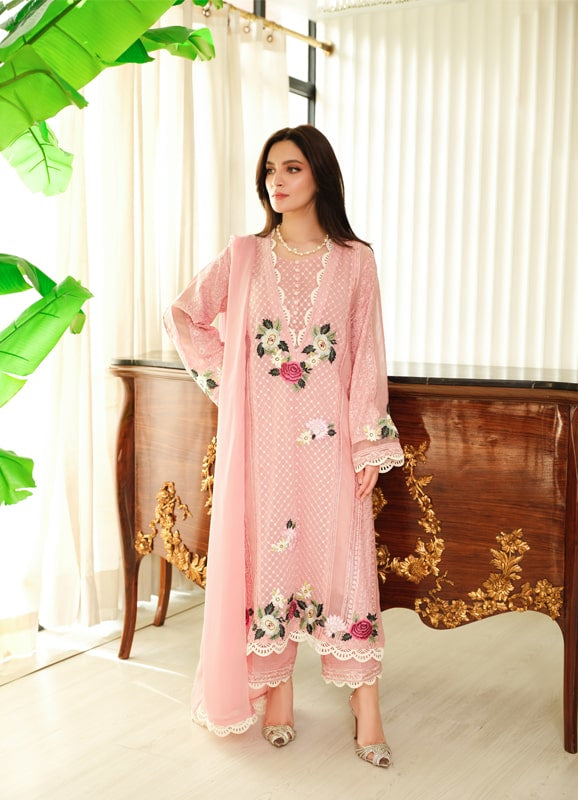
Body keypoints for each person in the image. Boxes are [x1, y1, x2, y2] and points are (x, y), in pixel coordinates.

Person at [164, 125, 404, 768]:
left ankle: (368, 708)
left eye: (292, 168)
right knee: (270, 559)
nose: (277, 180)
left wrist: (367, 443)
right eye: (270, 169)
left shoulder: (355, 260)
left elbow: (367, 355)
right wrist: (232, 386)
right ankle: (277, 693)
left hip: (331, 442)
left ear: (320, 174)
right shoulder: (244, 255)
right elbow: (184, 314)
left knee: (344, 561)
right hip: (263, 441)